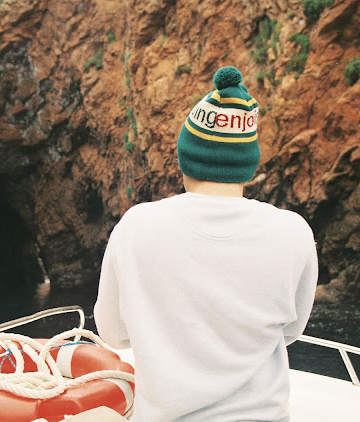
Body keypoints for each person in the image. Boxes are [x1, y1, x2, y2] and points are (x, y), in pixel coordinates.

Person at [94, 66, 318, 422]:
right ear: (248, 163)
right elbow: (290, 331)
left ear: (186, 159)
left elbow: (113, 333)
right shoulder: (294, 232)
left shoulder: (136, 226)